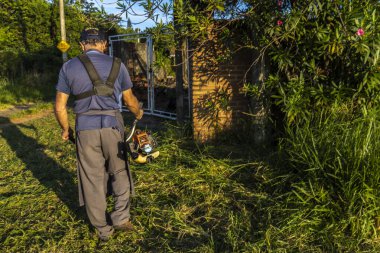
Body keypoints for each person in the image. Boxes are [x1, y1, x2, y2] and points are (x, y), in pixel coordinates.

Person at [54, 28, 143, 241]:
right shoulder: (118, 65)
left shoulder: (68, 67)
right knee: (120, 170)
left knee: (92, 179)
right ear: (104, 44)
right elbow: (130, 100)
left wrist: (66, 129)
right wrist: (138, 112)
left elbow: (59, 107)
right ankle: (121, 218)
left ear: (82, 45)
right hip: (113, 126)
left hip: (85, 129)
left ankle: (103, 230)